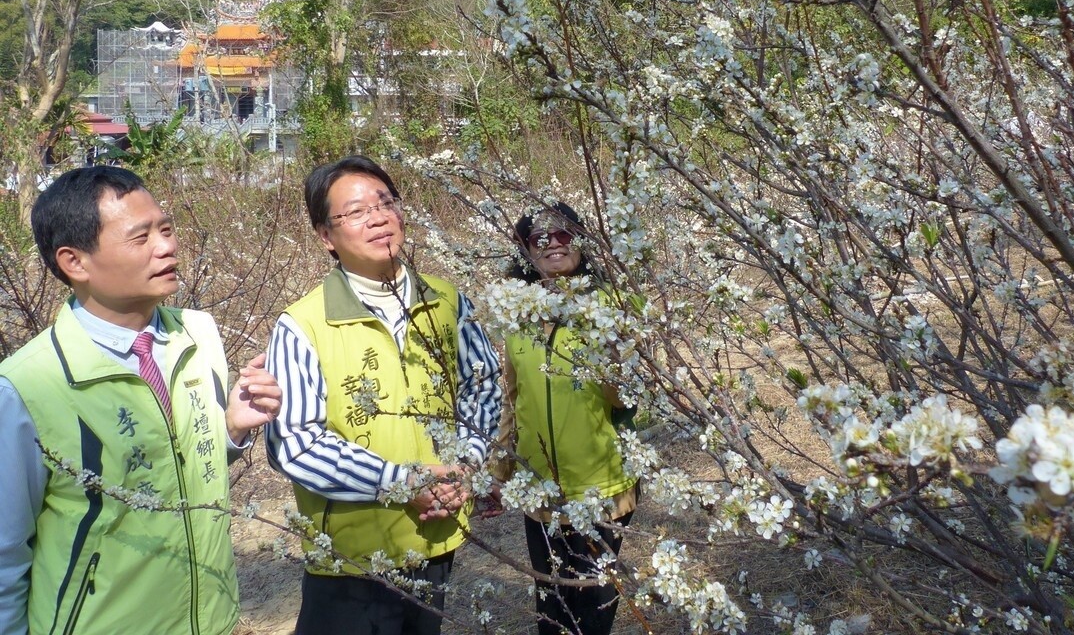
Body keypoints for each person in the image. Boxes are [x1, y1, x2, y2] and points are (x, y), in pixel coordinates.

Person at [0, 165, 282, 635]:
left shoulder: (198, 333)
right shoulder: (25, 388)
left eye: (166, 229)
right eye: (141, 237)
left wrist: (230, 430)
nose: (166, 246)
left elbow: (174, 466)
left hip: (211, 620)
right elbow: (5, 554)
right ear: (75, 262)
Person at [266, 155, 501, 635]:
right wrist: (403, 481)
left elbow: (483, 385)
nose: (376, 217)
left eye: (385, 202)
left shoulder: (447, 301)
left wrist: (467, 465)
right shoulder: (303, 324)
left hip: (437, 533)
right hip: (349, 557)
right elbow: (296, 444)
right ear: (325, 236)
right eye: (354, 212)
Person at [495, 202, 641, 635]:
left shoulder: (611, 304)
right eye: (539, 238)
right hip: (539, 488)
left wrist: (613, 345)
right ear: (525, 252)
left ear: (582, 243)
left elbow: (627, 398)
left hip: (602, 485)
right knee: (552, 603)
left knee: (593, 604)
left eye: (564, 234)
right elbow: (513, 395)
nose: (553, 244)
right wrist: (501, 461)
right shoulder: (517, 313)